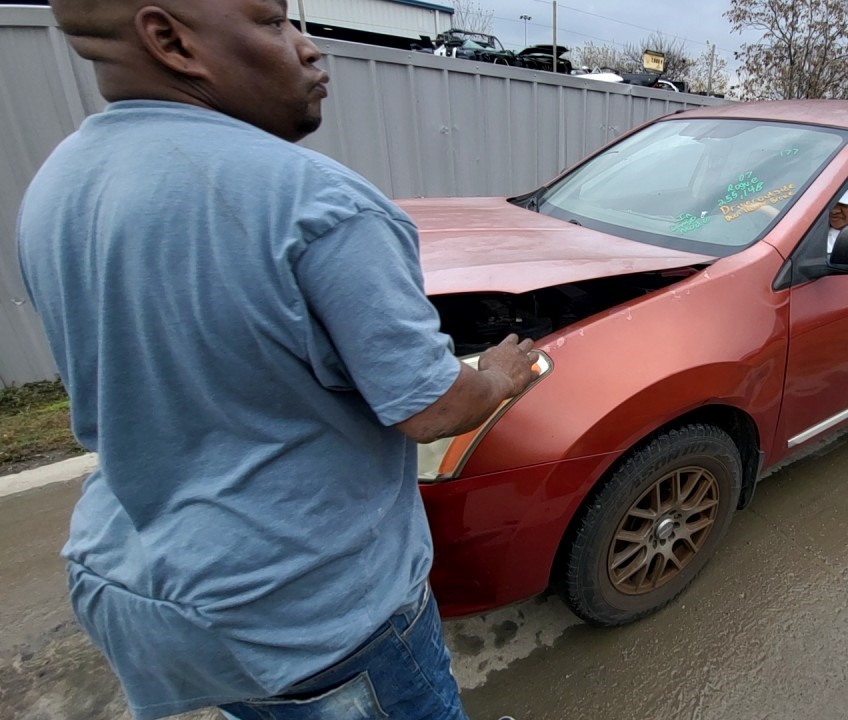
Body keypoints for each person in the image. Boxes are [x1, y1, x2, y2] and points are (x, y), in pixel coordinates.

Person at [17, 1, 537, 718]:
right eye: (272, 22)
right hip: (313, 615)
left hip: (145, 590)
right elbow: (434, 410)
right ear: (170, 39)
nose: (309, 47)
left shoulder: (61, 182)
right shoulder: (317, 203)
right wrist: (497, 377)